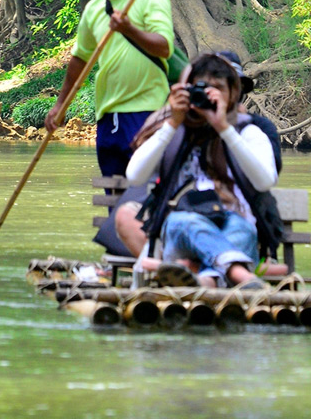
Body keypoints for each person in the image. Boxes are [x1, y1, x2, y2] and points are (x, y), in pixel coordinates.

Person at [122, 51, 286, 287]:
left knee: (241, 228)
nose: (209, 95)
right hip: (180, 232)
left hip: (236, 227)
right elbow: (135, 175)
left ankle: (205, 280)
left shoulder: (248, 131)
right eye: (200, 87)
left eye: (218, 88)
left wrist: (223, 128)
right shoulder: (171, 128)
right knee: (184, 221)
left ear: (234, 93)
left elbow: (264, 181)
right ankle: (239, 274)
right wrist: (172, 123)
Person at [49, 0, 174, 179]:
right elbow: (80, 59)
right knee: (114, 192)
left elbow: (163, 48)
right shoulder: (94, 9)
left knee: (147, 191)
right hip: (107, 114)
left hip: (147, 111)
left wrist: (129, 29)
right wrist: (60, 104)